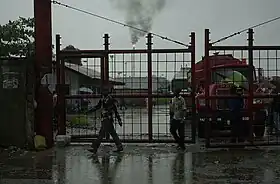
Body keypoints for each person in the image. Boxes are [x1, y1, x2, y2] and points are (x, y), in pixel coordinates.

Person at [88, 86, 123, 154]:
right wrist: (91, 110)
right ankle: (119, 146)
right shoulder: (102, 99)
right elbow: (98, 106)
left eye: (106, 91)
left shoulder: (110, 99)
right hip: (104, 118)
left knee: (101, 134)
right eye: (103, 91)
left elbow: (115, 110)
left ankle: (95, 148)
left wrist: (119, 119)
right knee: (113, 133)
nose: (104, 92)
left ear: (108, 92)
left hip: (107, 119)